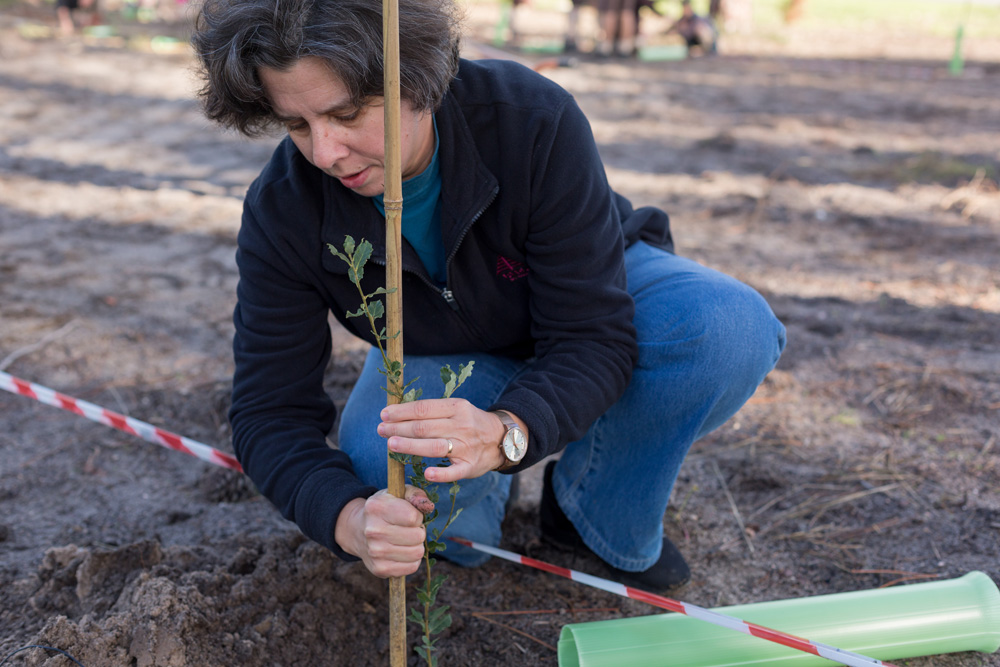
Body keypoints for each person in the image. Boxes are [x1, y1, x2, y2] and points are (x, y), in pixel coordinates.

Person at [192, 0, 785, 592]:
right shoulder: (283, 208)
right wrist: (348, 518)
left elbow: (592, 338)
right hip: (443, 348)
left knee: (726, 330)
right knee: (383, 468)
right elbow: (269, 410)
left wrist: (507, 433)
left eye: (345, 114)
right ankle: (475, 525)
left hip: (592, 291)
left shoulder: (530, 118)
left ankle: (591, 511)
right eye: (297, 125)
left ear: (418, 79)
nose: (324, 152)